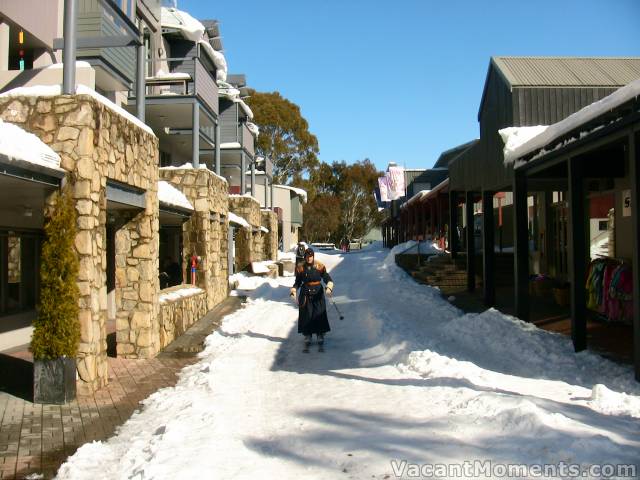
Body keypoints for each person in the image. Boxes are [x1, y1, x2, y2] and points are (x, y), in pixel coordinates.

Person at [290, 248, 334, 350]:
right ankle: (307, 335)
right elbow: (298, 282)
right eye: (307, 256)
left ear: (313, 256)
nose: (309, 258)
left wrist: (329, 286)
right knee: (307, 314)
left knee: (319, 313)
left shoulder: (319, 266)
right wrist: (294, 290)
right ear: (305, 257)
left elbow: (326, 276)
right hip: (305, 293)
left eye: (311, 256)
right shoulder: (300, 268)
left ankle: (320, 334)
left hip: (318, 292)